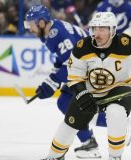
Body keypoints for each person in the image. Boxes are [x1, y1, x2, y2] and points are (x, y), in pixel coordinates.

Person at [41, 11, 131, 160]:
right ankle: (53, 157)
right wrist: (82, 93)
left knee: (116, 113)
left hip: (119, 88)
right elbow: (74, 74)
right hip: (90, 91)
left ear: (112, 30)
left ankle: (115, 157)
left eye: (102, 29)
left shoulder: (126, 44)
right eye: (95, 28)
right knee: (69, 124)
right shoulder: (82, 47)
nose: (97, 33)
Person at [23, 4, 102, 158]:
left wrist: (51, 83)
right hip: (88, 65)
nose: (29, 29)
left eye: (31, 25)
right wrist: (51, 80)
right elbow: (64, 60)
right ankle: (89, 142)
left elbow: (72, 65)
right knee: (65, 102)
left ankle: (113, 120)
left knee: (67, 103)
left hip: (93, 67)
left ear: (40, 22)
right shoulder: (51, 31)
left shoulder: (56, 34)